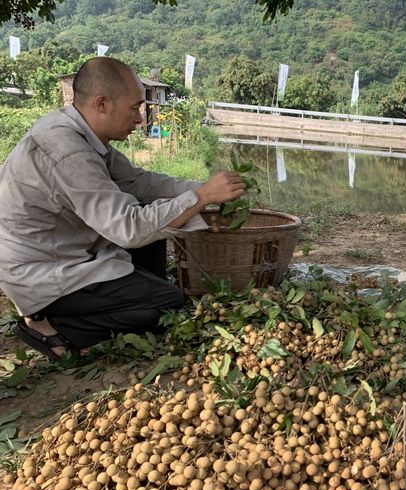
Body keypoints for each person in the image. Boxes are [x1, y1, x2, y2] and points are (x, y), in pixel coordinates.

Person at [0, 57, 245, 361]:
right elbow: (128, 228)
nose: (140, 119)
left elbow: (137, 182)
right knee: (167, 304)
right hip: (41, 271)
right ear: (102, 103)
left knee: (152, 212)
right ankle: (53, 327)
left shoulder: (81, 134)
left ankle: (135, 293)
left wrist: (204, 190)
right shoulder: (66, 150)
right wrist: (201, 197)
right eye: (134, 108)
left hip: (65, 249)